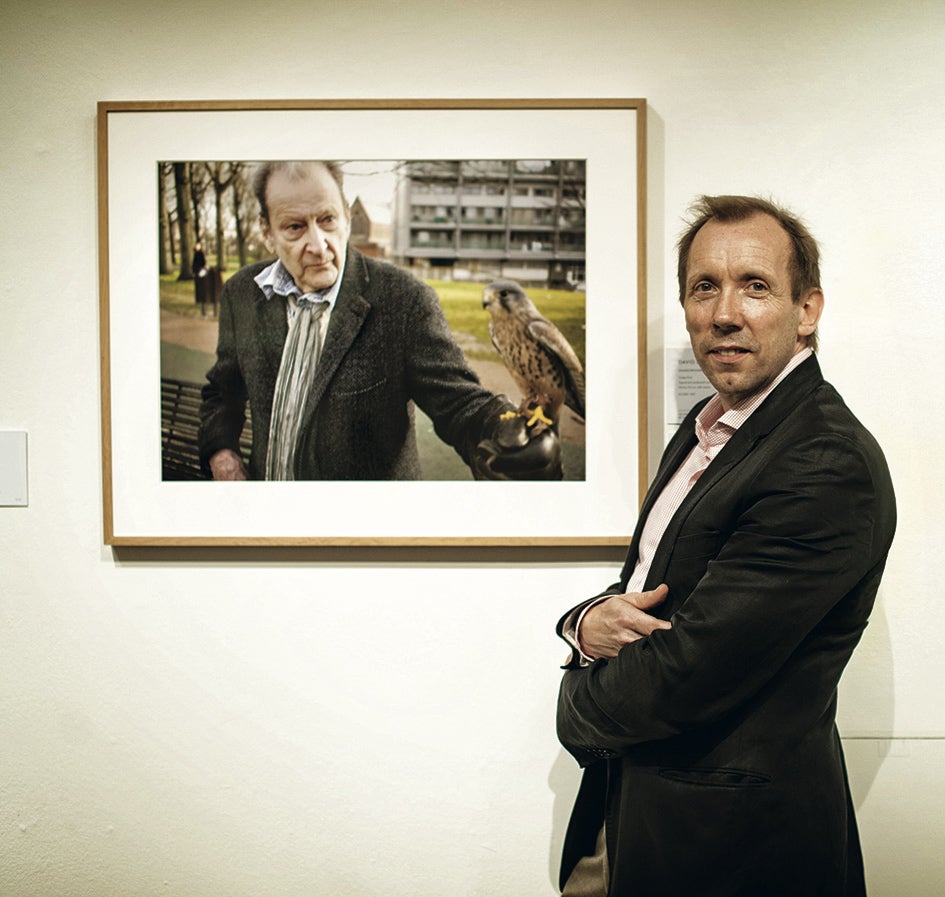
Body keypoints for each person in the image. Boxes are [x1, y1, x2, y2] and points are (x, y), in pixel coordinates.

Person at [555, 195, 896, 897]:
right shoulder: (708, 427)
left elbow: (686, 673)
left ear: (808, 310)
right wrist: (584, 622)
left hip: (735, 853)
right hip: (636, 823)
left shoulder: (823, 461)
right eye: (704, 286)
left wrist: (572, 704)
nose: (724, 312)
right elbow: (652, 588)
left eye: (756, 286)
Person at [198, 160, 558, 481]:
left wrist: (497, 430)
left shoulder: (404, 299)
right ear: (266, 231)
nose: (320, 245)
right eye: (295, 227)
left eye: (327, 220)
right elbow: (222, 390)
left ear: (345, 215)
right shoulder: (241, 293)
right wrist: (221, 451)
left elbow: (459, 403)